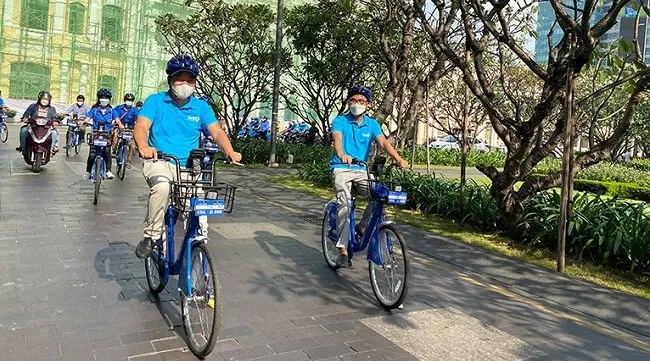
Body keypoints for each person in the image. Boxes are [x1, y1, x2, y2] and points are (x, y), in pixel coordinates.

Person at [134, 54, 242, 259]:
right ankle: (151, 236)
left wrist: (230, 151)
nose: (185, 84)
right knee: (163, 187)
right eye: (180, 79)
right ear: (170, 81)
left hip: (190, 168)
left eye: (190, 80)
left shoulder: (201, 107)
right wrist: (144, 146)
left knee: (198, 205)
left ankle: (198, 248)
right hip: (160, 162)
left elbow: (217, 132)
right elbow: (141, 126)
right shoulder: (156, 101)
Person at [330, 85, 408, 268]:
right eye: (354, 100)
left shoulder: (372, 124)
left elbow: (383, 142)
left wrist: (398, 159)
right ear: (349, 102)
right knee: (345, 204)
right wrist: (342, 153)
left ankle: (362, 227)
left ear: (368, 104)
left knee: (378, 195)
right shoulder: (340, 121)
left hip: (361, 170)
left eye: (362, 101)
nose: (357, 104)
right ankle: (342, 249)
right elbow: (337, 139)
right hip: (341, 168)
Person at [83, 88, 116, 180]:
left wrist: (121, 125)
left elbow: (117, 120)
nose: (104, 99)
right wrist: (83, 122)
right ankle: (88, 171)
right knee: (92, 155)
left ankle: (108, 171)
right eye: (102, 97)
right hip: (95, 135)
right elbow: (87, 119)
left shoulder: (112, 111)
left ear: (109, 99)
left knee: (107, 152)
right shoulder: (94, 110)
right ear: (98, 98)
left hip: (107, 136)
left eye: (106, 98)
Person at [111, 93, 139, 166]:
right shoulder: (118, 108)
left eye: (130, 100)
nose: (129, 101)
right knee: (115, 137)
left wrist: (137, 125)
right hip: (119, 128)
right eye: (127, 100)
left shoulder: (135, 110)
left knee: (133, 145)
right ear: (124, 100)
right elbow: (114, 116)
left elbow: (138, 119)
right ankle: (114, 150)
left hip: (130, 130)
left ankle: (129, 161)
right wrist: (114, 122)